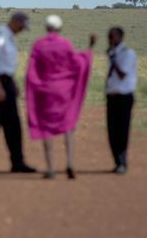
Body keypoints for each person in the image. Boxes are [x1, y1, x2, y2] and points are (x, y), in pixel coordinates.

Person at [25, 15, 95, 179]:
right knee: (68, 124)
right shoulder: (65, 44)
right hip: (64, 91)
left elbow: (32, 70)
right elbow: (78, 63)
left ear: (46, 28)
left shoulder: (39, 45)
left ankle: (50, 169)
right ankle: (69, 163)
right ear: (59, 28)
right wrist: (89, 49)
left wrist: (35, 86)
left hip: (46, 91)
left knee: (46, 127)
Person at [0, 12, 37, 174]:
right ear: (15, 21)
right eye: (21, 26)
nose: (22, 30)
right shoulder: (1, 36)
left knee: (14, 125)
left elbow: (7, 65)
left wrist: (13, 84)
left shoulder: (10, 37)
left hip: (7, 82)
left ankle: (17, 162)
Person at [105, 26, 137, 175]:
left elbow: (122, 74)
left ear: (121, 37)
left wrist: (113, 59)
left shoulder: (127, 54)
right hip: (111, 98)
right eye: (109, 37)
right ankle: (117, 162)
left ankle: (122, 162)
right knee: (111, 131)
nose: (110, 40)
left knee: (122, 131)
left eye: (113, 36)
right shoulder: (113, 54)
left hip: (124, 98)